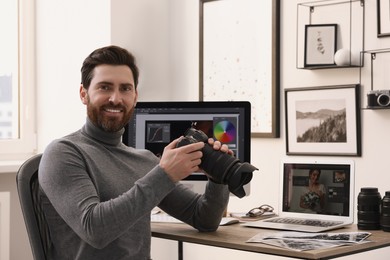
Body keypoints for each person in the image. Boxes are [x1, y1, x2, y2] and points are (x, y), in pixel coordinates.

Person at [38, 45, 232, 260]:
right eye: (104, 87)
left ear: (135, 96)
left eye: (125, 89)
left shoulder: (143, 160)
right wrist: (164, 174)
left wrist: (218, 176)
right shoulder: (63, 153)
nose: (116, 98)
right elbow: (95, 229)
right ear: (84, 94)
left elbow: (204, 219)